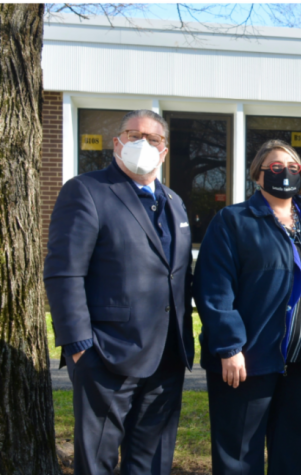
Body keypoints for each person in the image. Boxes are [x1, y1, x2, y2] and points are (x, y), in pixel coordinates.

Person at [44, 110, 194, 475]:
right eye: (133, 134)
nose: (142, 144)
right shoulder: (87, 190)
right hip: (106, 356)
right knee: (97, 464)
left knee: (151, 464)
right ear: (117, 143)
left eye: (153, 138)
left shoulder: (174, 203)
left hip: (167, 358)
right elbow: (64, 272)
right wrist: (79, 347)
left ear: (164, 150)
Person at [193, 140, 301, 475]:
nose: (285, 173)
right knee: (239, 457)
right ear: (258, 175)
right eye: (276, 167)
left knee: (295, 456)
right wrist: (228, 346)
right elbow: (213, 287)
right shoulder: (232, 221)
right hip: (247, 362)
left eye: (293, 167)